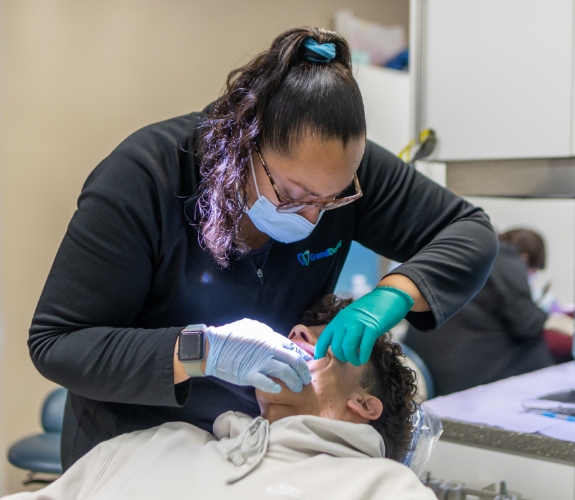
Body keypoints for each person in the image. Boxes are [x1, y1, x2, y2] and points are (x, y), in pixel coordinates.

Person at [28, 27, 498, 470]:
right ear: (243, 143)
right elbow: (58, 343)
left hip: (254, 447)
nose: (314, 217)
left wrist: (393, 295)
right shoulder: (146, 177)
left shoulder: (337, 171)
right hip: (132, 452)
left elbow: (469, 231)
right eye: (293, 195)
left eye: (333, 200)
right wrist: (201, 350)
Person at [9, 296, 435, 500]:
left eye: (331, 344)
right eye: (298, 331)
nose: (296, 335)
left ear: (364, 404)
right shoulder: (160, 442)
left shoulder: (381, 488)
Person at [405, 228, 554, 396]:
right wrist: (544, 311)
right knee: (536, 348)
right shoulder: (507, 260)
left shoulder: (473, 252)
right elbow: (527, 326)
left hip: (426, 367)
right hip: (458, 377)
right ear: (525, 258)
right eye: (532, 273)